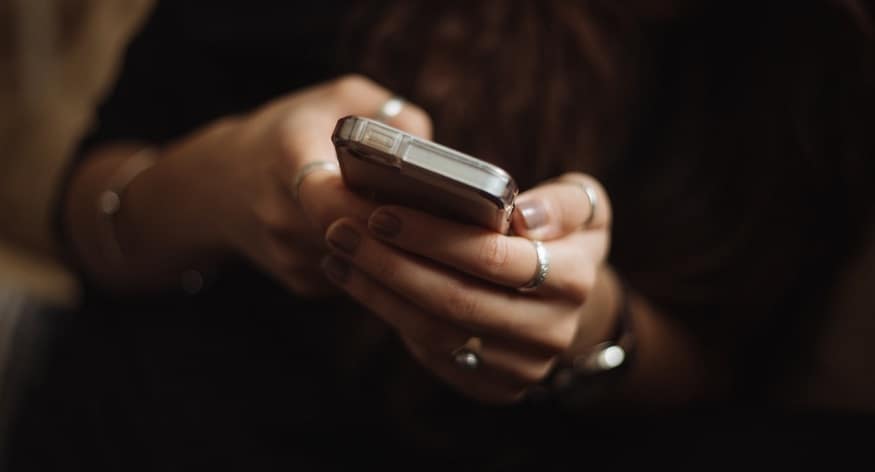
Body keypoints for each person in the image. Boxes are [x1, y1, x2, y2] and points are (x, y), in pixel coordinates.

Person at [10, 0, 875, 469]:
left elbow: (738, 390)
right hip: (162, 428)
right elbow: (85, 218)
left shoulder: (824, 63)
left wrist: (593, 328)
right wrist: (225, 179)